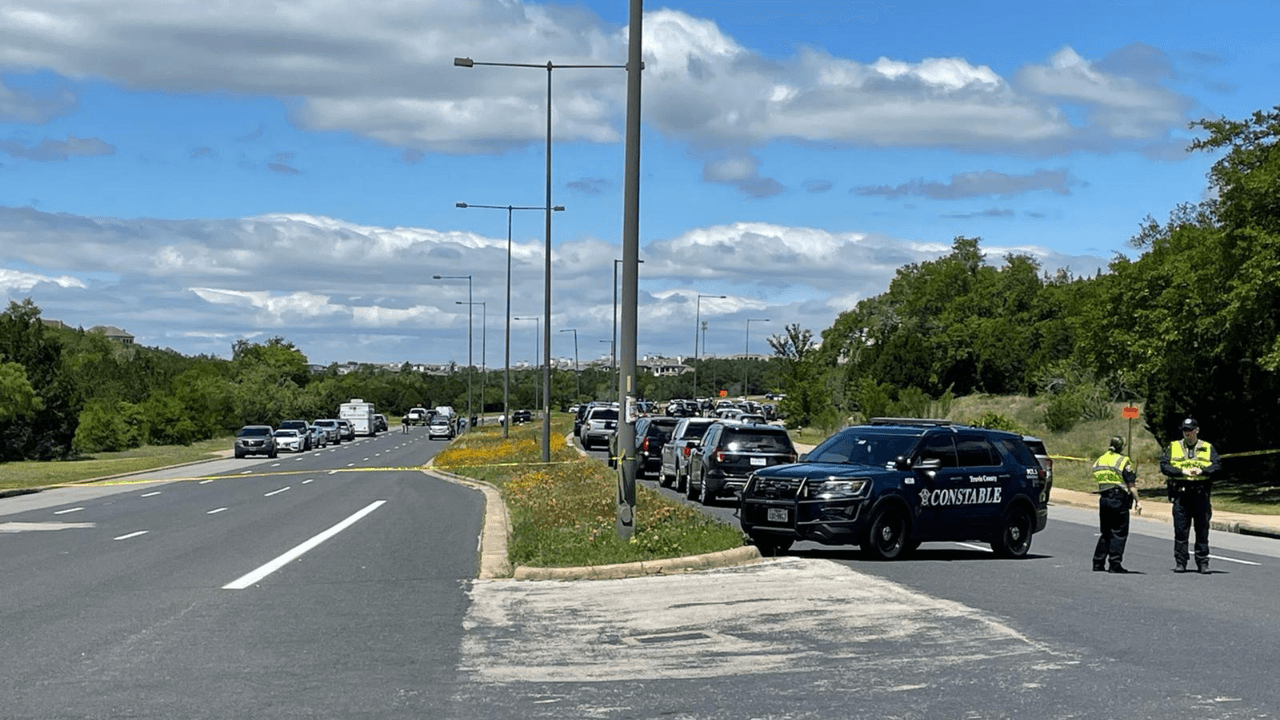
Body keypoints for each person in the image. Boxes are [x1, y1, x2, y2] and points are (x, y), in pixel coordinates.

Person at [1160, 417, 1221, 574]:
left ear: (1197, 430)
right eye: (1185, 430)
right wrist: (1181, 471)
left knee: (1202, 530)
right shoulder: (1174, 446)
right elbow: (1164, 466)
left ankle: (1203, 563)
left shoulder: (1207, 447)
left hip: (1200, 493)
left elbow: (1217, 465)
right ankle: (1181, 562)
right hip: (1181, 493)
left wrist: (1203, 471)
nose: (1187, 433)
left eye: (1190, 430)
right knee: (1181, 530)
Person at [1092, 436, 1141, 573]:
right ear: (1122, 447)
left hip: (1104, 499)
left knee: (1106, 532)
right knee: (1119, 533)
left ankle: (1098, 562)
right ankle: (1114, 564)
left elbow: (1095, 473)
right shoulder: (1123, 461)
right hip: (1118, 500)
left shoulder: (1100, 459)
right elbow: (1131, 485)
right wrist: (1138, 501)